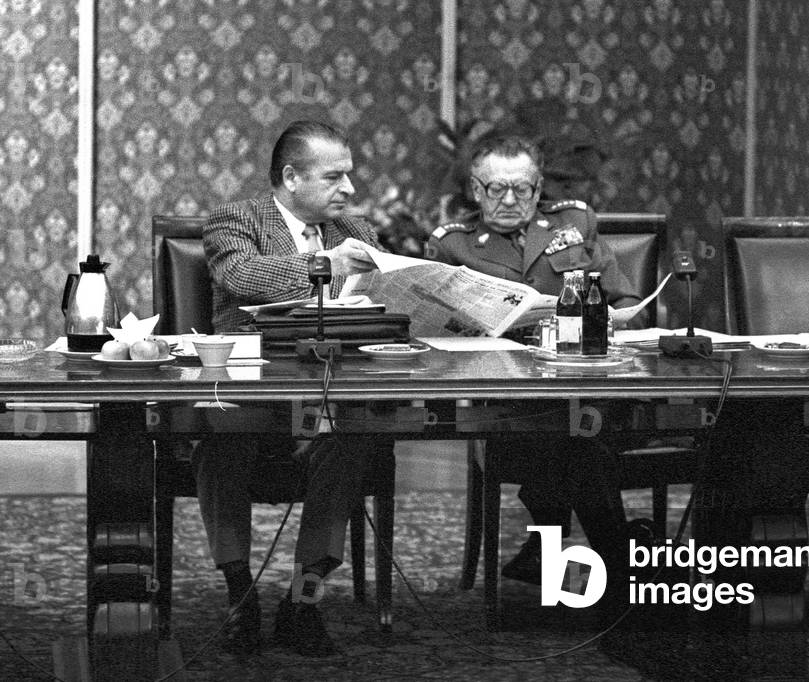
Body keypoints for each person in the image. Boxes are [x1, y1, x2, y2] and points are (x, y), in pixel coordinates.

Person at [198, 120, 383, 656]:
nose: (349, 190)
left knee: (352, 443)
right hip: (249, 396)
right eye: (334, 177)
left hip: (330, 395)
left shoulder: (357, 231)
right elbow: (243, 277)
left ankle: (303, 601)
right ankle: (240, 595)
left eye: (349, 176)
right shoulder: (237, 219)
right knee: (220, 437)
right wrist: (322, 265)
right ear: (291, 177)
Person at [426, 135, 642, 587]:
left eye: (521, 189)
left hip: (588, 383)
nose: (508, 200)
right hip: (510, 406)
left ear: (539, 186)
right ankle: (619, 563)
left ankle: (549, 549)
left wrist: (614, 319)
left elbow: (626, 300)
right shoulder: (454, 245)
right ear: (475, 189)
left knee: (581, 431)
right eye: (494, 189)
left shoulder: (574, 223)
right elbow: (435, 334)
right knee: (579, 441)